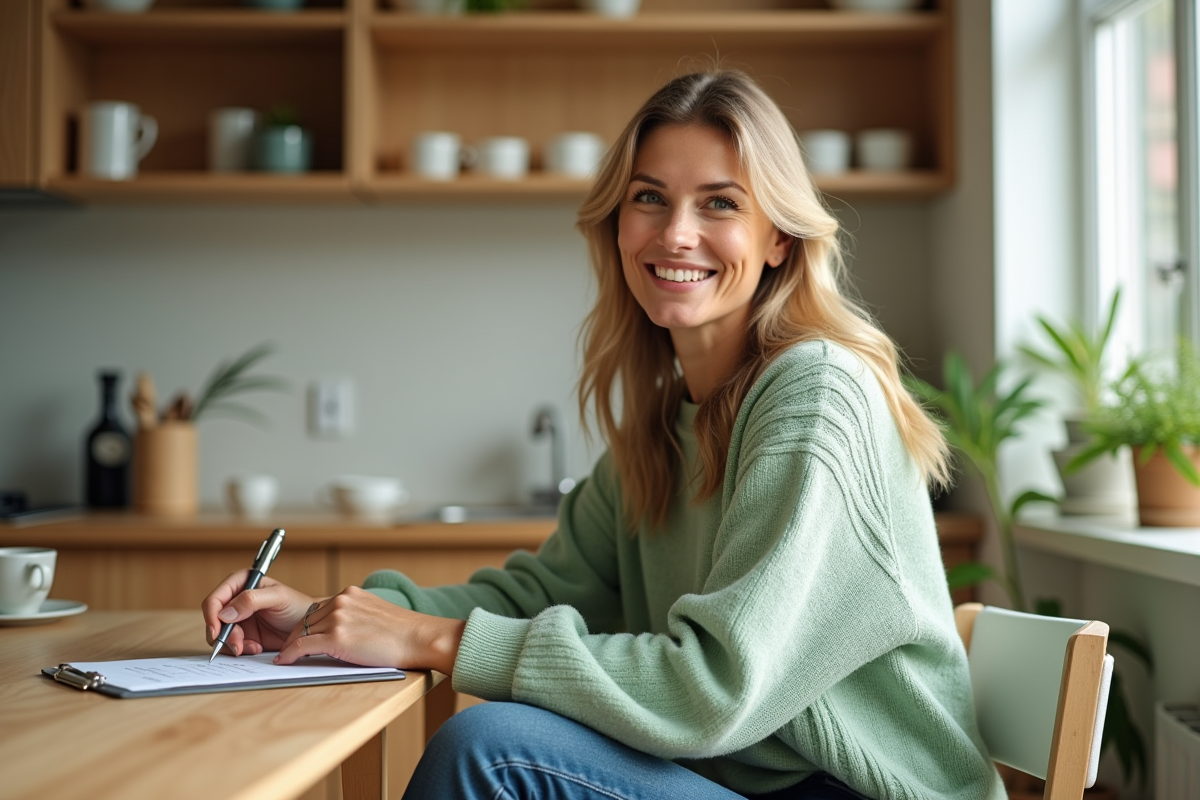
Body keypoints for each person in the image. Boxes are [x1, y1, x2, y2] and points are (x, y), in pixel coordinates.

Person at [202, 69, 1005, 800]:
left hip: (851, 792)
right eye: (649, 198)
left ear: (779, 239)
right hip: (745, 781)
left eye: (720, 203)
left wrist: (428, 637)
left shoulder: (816, 392)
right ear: (617, 222)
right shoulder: (665, 420)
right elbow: (539, 593)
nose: (675, 233)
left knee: (495, 752)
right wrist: (334, 617)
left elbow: (711, 688)